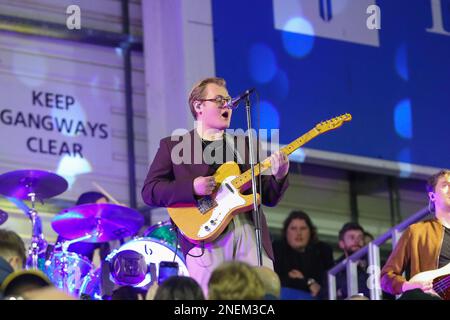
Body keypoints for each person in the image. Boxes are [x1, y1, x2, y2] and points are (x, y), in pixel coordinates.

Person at [141, 77, 289, 295]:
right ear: (198, 106)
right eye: (219, 100)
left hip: (248, 227)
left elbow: (268, 195)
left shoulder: (244, 145)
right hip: (205, 236)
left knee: (260, 294)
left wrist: (279, 175)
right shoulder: (174, 146)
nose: (227, 105)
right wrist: (192, 187)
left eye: (229, 100)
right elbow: (150, 191)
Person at [380, 169, 450, 298]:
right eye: (445, 185)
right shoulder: (417, 232)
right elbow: (386, 277)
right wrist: (409, 286)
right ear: (432, 195)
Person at [272, 210, 334, 299]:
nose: (298, 233)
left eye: (303, 228)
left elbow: (326, 285)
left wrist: (304, 280)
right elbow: (279, 281)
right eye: (293, 228)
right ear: (286, 232)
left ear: (310, 232)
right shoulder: (277, 249)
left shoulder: (323, 251)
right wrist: (309, 283)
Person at [334, 222, 370, 299]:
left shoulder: (373, 262)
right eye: (351, 237)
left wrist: (341, 291)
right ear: (341, 243)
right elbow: (325, 294)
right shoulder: (334, 269)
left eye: (360, 237)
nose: (357, 241)